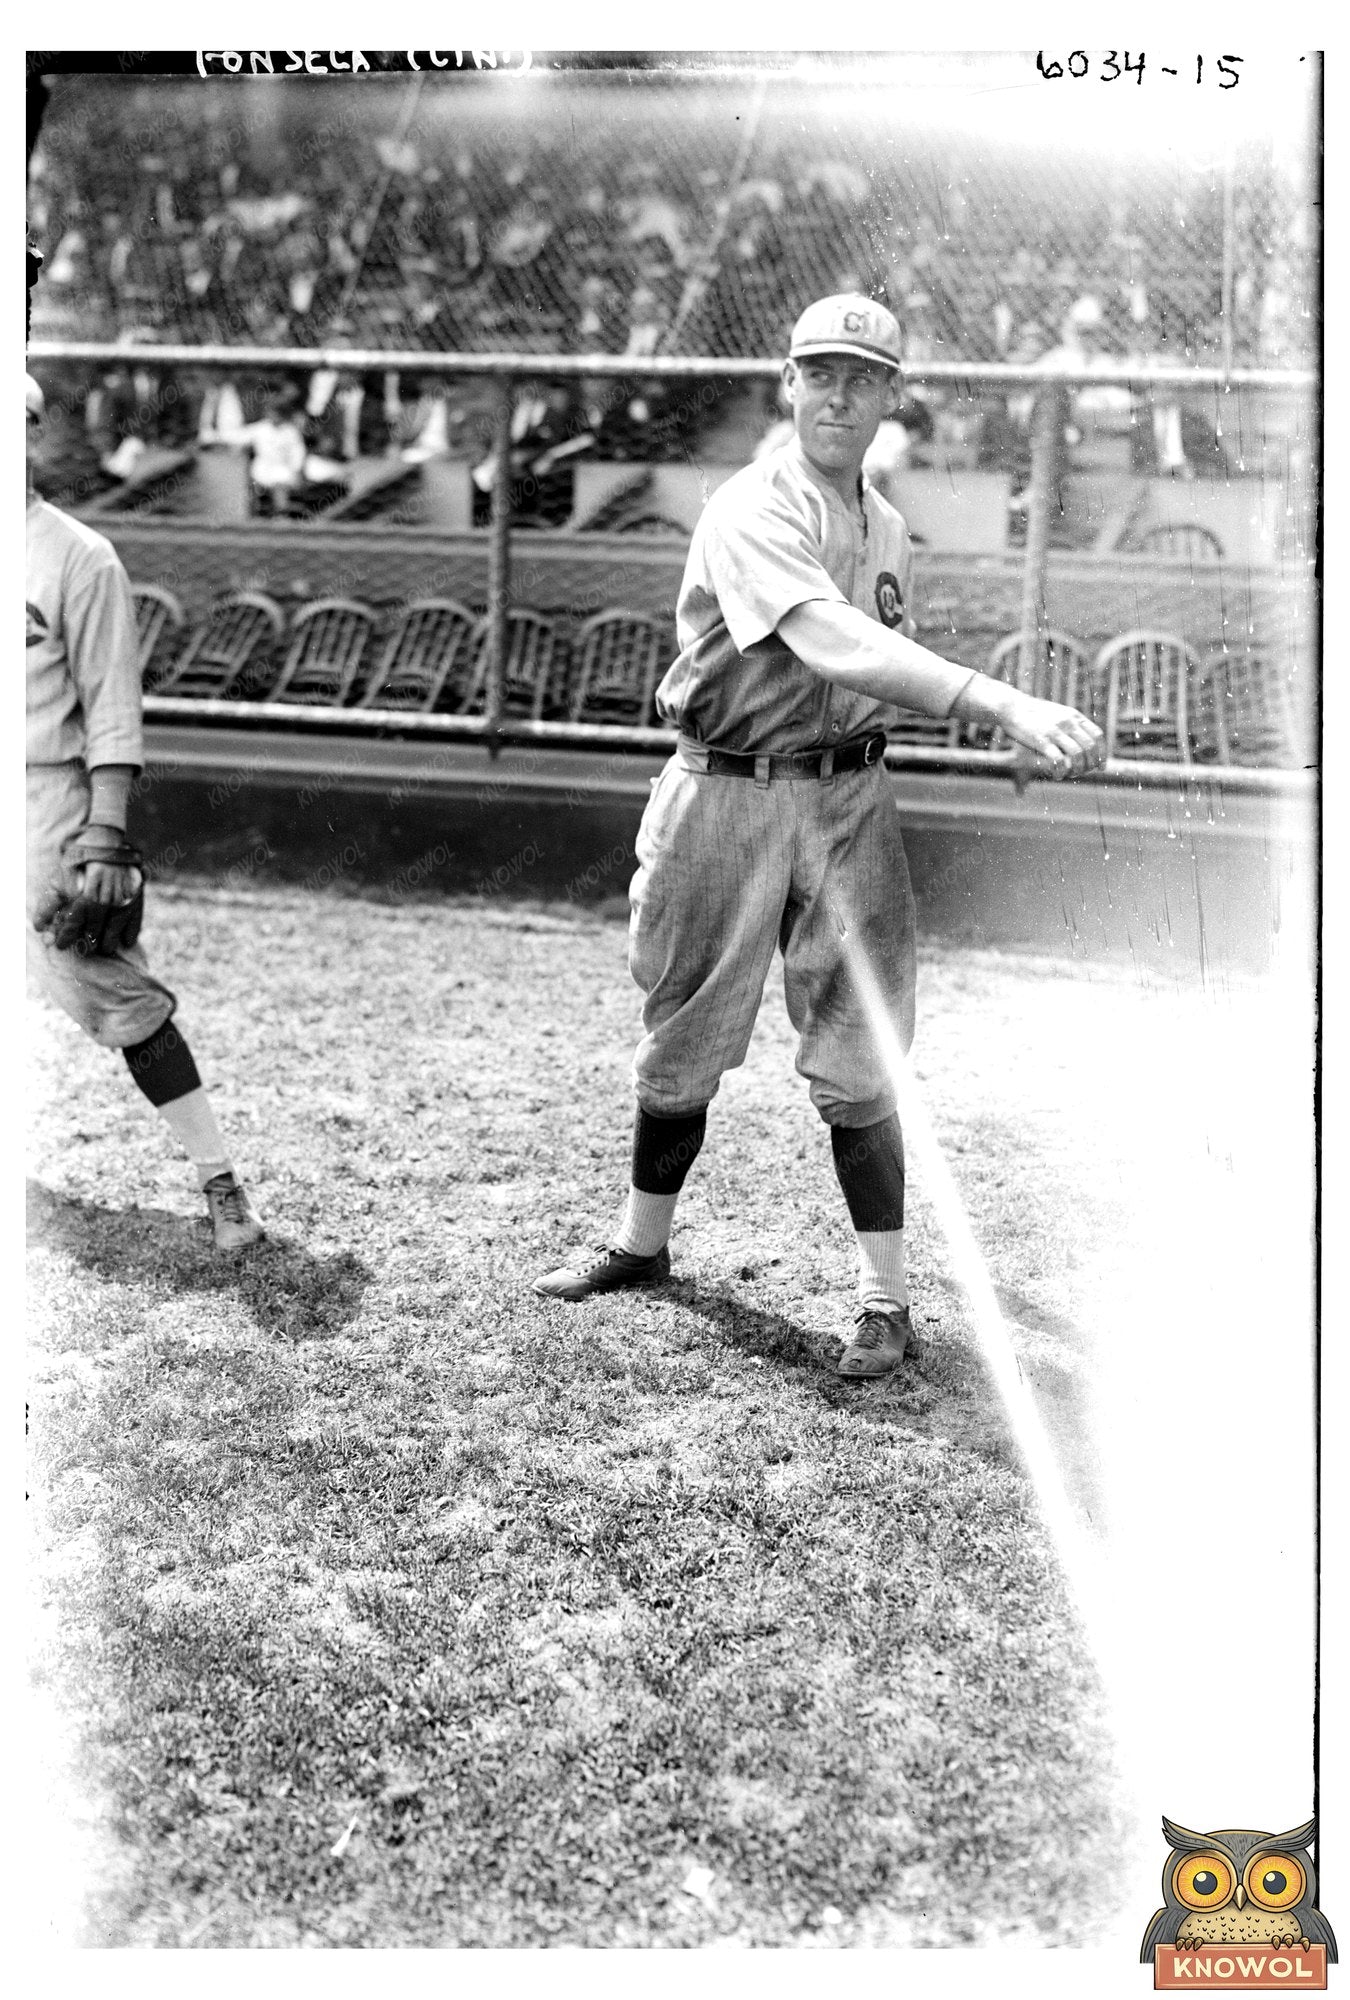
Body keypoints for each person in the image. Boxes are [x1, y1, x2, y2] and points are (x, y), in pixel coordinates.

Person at [534, 296, 1103, 1379]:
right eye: (819, 372)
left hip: (846, 795)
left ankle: (885, 1299)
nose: (838, 393)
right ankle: (641, 1243)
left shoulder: (886, 524)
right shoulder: (751, 503)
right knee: (686, 1026)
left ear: (893, 396)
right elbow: (827, 638)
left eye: (862, 376)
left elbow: (871, 667)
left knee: (863, 1044)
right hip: (727, 787)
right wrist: (998, 703)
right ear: (787, 384)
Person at [25, 375, 264, 1252]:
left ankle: (221, 1183)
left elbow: (113, 707)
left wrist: (104, 830)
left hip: (46, 797)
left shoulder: (77, 555)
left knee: (112, 991)